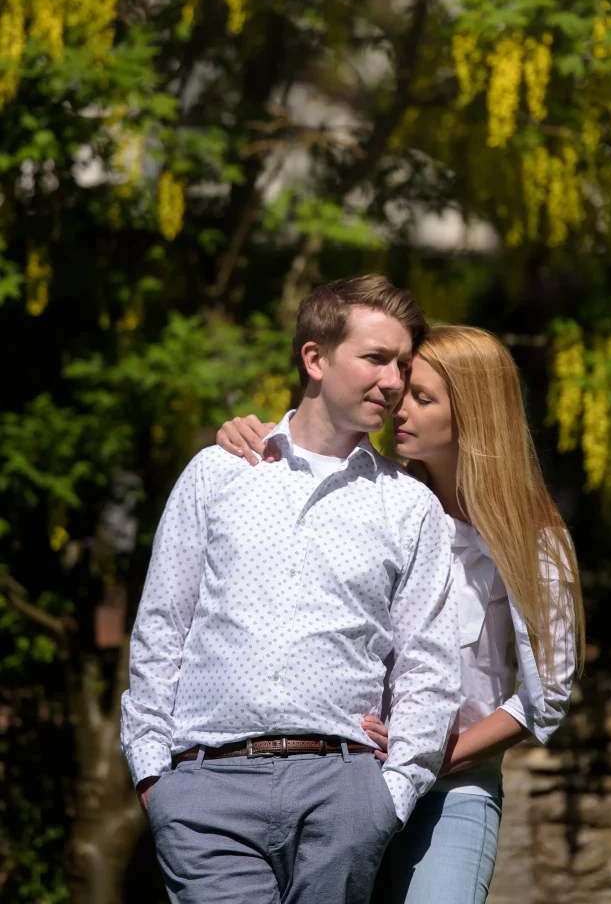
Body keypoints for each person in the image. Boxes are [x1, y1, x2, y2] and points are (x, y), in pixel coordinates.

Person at [217, 322, 585, 904]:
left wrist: (429, 759)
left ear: (473, 412)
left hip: (452, 793)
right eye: (400, 391)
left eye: (422, 397)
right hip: (340, 784)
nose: (397, 408)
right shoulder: (377, 501)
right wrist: (247, 435)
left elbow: (547, 698)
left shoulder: (533, 540)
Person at [121, 275, 461, 904]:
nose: (394, 382)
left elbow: (429, 667)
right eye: (375, 359)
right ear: (315, 358)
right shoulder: (219, 471)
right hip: (205, 789)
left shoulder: (410, 506)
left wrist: (391, 794)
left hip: (346, 794)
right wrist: (152, 776)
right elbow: (161, 628)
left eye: (403, 365)